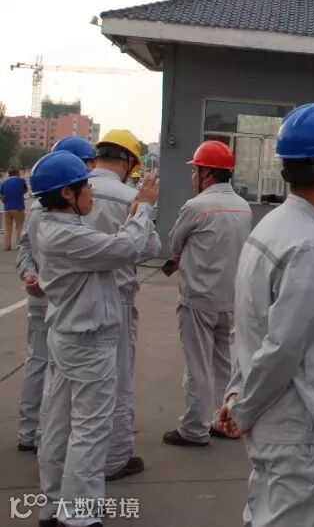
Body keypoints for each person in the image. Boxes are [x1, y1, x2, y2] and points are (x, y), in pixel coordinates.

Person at [215, 103, 314, 527]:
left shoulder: (271, 227)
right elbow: (282, 348)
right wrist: (242, 409)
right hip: (301, 430)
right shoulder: (308, 246)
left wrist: (237, 396)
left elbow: (249, 327)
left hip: (276, 425)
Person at [31, 151, 159, 527]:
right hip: (88, 343)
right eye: (85, 187)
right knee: (90, 431)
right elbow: (126, 249)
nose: (91, 192)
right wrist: (144, 208)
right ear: (67, 195)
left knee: (58, 426)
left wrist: (135, 213)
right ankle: (80, 516)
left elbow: (112, 245)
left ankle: (53, 506)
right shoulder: (67, 235)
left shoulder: (51, 226)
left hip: (68, 337)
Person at [81, 128, 161, 482]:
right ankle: (115, 459)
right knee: (117, 381)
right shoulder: (130, 196)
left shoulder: (73, 190)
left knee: (70, 385)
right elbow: (151, 247)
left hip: (71, 299)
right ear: (129, 162)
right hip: (116, 298)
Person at [162, 141, 252, 447]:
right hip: (231, 300)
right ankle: (224, 419)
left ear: (208, 174)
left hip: (198, 300)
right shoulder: (244, 207)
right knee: (225, 364)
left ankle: (194, 429)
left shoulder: (196, 206)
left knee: (198, 366)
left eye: (195, 170)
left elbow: (174, 243)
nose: (193, 176)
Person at [14, 137, 97, 453]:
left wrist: (29, 273)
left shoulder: (39, 206)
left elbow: (24, 247)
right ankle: (42, 436)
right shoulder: (72, 205)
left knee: (38, 362)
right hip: (62, 300)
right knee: (52, 369)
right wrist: (30, 273)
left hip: (44, 295)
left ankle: (30, 431)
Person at [3, 167, 29, 250]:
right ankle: (19, 245)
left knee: (7, 227)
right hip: (18, 207)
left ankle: (7, 246)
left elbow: (1, 194)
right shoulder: (21, 181)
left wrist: (4, 201)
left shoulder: (4, 182)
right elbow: (25, 190)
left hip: (7, 208)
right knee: (20, 226)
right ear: (17, 173)